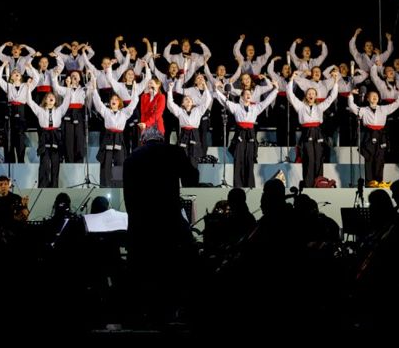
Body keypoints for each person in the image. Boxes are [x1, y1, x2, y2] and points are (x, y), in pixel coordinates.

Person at [123, 126, 199, 325]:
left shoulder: (131, 158)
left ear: (143, 140)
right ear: (162, 138)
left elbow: (129, 198)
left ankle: (143, 316)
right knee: (170, 269)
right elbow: (192, 178)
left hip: (142, 225)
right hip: (168, 221)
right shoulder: (174, 152)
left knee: (145, 272)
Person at [214, 80, 279, 187]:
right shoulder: (236, 107)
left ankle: (250, 185)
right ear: (241, 97)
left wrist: (275, 90)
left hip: (250, 134)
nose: (249, 95)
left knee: (249, 160)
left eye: (250, 94)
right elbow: (225, 101)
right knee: (238, 160)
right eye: (246, 94)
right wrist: (216, 90)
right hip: (240, 134)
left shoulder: (255, 107)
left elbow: (267, 101)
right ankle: (238, 186)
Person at [286, 72, 339, 187]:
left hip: (318, 133)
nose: (311, 95)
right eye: (309, 93)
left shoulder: (319, 107)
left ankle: (319, 183)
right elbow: (290, 95)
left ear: (316, 96)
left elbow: (331, 98)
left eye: (313, 93)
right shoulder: (300, 106)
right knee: (308, 158)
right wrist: (291, 80)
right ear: (306, 96)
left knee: (319, 158)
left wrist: (335, 82)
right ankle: (308, 184)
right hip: (306, 132)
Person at [90, 75, 139, 187]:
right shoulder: (106, 111)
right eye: (112, 99)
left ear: (119, 103)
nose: (113, 100)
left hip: (119, 138)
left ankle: (119, 187)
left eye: (116, 99)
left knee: (119, 162)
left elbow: (133, 103)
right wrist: (94, 88)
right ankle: (104, 185)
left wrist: (135, 90)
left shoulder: (124, 113)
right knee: (106, 162)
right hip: (108, 137)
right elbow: (98, 103)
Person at [348, 89, 399, 186]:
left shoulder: (384, 108)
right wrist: (351, 95)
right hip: (369, 135)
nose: (375, 97)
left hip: (381, 135)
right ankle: (370, 182)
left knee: (380, 158)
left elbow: (396, 104)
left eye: (376, 95)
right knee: (369, 157)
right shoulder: (363, 110)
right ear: (368, 99)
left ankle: (379, 181)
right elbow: (352, 106)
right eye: (372, 95)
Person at [26, 83, 71, 188]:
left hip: (55, 136)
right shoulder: (40, 110)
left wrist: (68, 87)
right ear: (45, 100)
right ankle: (43, 186)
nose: (51, 98)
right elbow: (30, 101)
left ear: (55, 100)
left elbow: (67, 101)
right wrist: (28, 88)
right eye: (49, 96)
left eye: (53, 97)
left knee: (55, 163)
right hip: (45, 135)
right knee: (45, 163)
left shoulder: (59, 110)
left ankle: (54, 187)